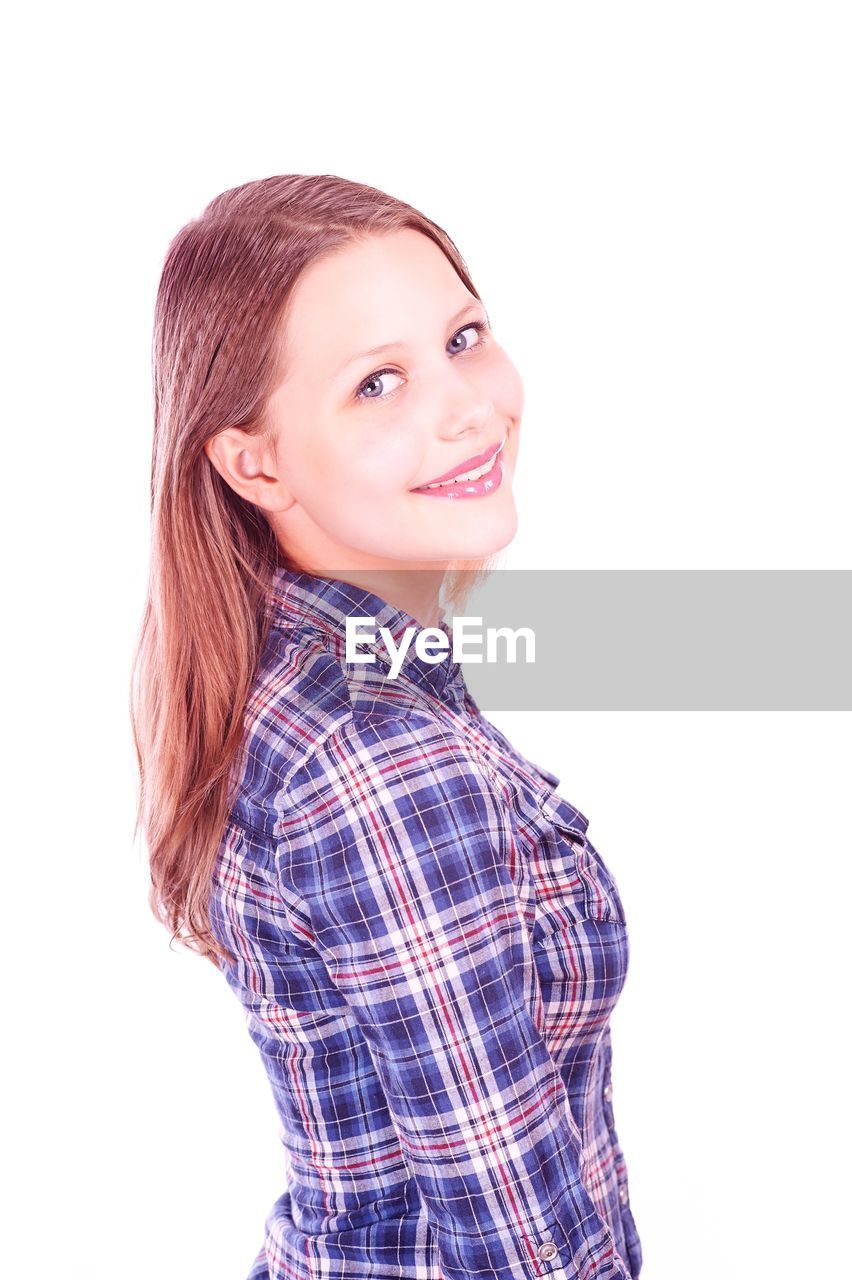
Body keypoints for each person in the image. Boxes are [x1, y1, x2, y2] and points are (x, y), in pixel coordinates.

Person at [131, 174, 643, 1280]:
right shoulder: (377, 757)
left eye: (463, 336)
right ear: (252, 460)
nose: (465, 406)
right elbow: (522, 1252)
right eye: (376, 383)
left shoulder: (312, 653)